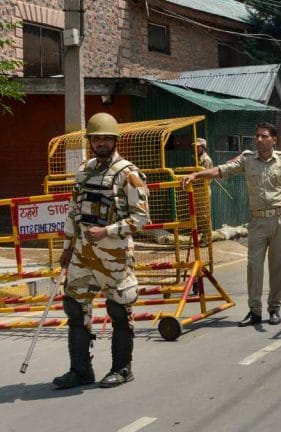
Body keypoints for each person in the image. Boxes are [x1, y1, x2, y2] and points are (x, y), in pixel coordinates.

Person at [181, 122, 281, 326]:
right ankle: (255, 311)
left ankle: (274, 309)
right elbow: (221, 170)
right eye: (257, 136)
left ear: (274, 139)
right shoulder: (247, 160)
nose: (259, 140)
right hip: (257, 221)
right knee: (254, 267)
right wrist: (195, 175)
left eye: (264, 136)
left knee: (278, 267)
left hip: (280, 220)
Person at [54, 113, 150, 389]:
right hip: (82, 253)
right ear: (90, 142)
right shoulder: (84, 170)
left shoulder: (129, 174)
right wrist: (67, 247)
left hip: (114, 255)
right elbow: (73, 211)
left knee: (118, 310)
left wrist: (107, 231)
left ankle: (122, 369)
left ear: (115, 140)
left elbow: (141, 219)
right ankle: (80, 370)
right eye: (97, 138)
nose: (102, 143)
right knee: (74, 307)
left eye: (107, 138)